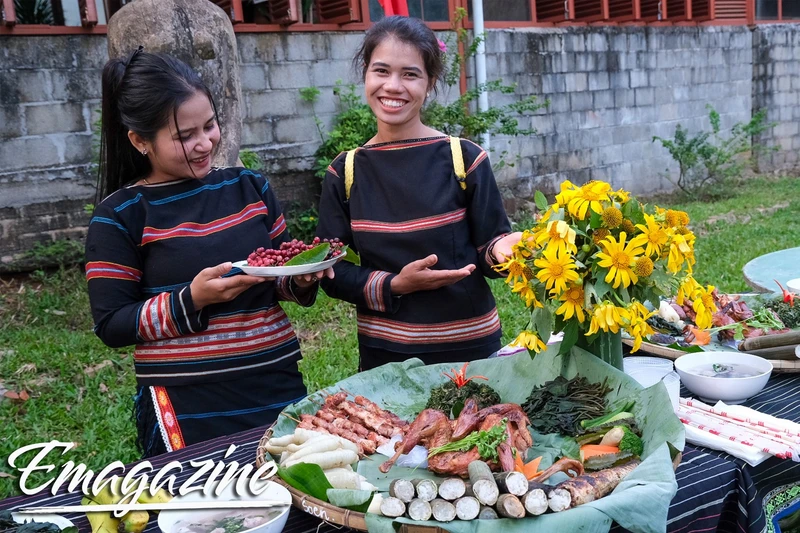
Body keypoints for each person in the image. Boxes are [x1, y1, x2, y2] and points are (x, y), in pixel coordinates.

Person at [85, 49, 332, 457]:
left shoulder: (250, 188)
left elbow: (278, 275)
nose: (204, 143)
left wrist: (299, 277)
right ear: (139, 140)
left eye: (210, 125)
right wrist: (192, 299)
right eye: (184, 136)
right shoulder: (120, 215)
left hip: (274, 383)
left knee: (288, 498)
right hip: (186, 402)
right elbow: (111, 323)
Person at [316, 16, 522, 371]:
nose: (393, 86)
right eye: (381, 71)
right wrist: (395, 284)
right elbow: (328, 271)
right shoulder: (346, 171)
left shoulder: (464, 159)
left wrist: (504, 251)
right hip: (387, 356)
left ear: (429, 84)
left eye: (410, 74)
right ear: (366, 75)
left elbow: (489, 250)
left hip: (470, 350)